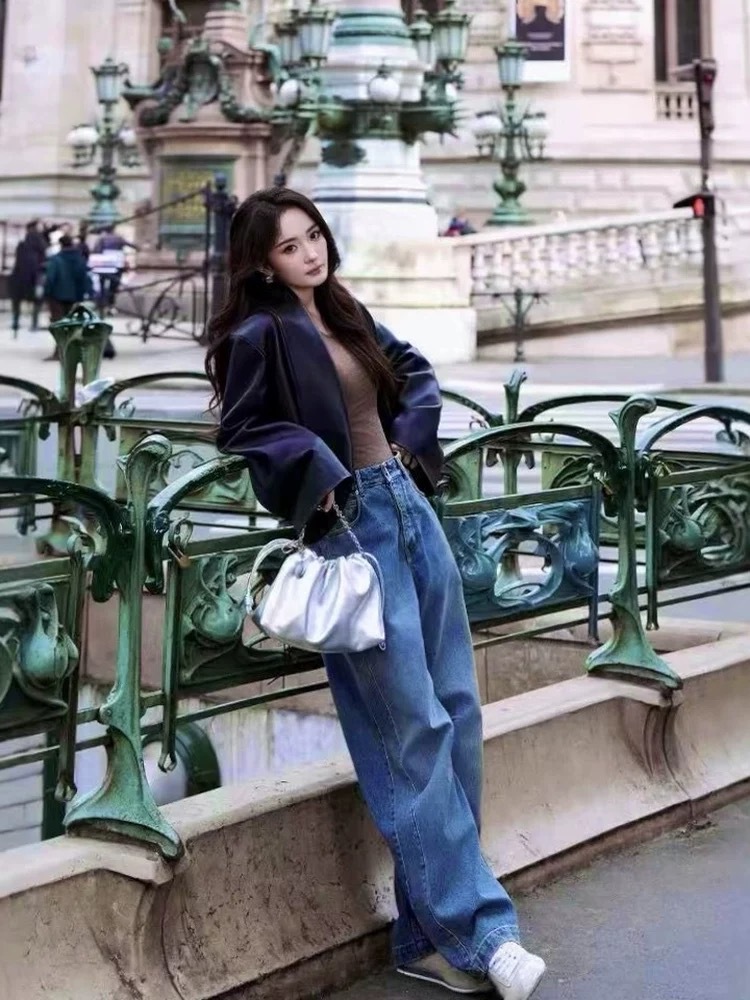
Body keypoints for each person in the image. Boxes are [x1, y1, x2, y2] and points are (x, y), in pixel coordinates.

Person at [205, 186, 546, 1000]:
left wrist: (408, 441)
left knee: (457, 713)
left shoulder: (344, 309)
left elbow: (415, 373)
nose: (310, 253)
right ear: (262, 263)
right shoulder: (259, 333)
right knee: (411, 731)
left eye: (314, 235)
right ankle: (482, 933)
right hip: (353, 528)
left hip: (409, 504)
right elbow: (243, 429)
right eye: (290, 246)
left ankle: (422, 938)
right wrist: (318, 473)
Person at [43, 233, 93, 360]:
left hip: (57, 296)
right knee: (71, 325)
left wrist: (46, 293)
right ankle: (69, 352)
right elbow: (85, 278)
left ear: (61, 245)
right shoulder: (80, 259)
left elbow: (50, 278)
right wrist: (85, 294)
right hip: (74, 297)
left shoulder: (56, 259)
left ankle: (59, 352)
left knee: (59, 325)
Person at [8, 220, 47, 333]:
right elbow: (43, 261)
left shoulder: (21, 245)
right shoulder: (41, 244)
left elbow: (17, 262)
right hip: (35, 277)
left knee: (16, 300)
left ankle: (15, 321)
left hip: (20, 277)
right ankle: (34, 323)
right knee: (37, 300)